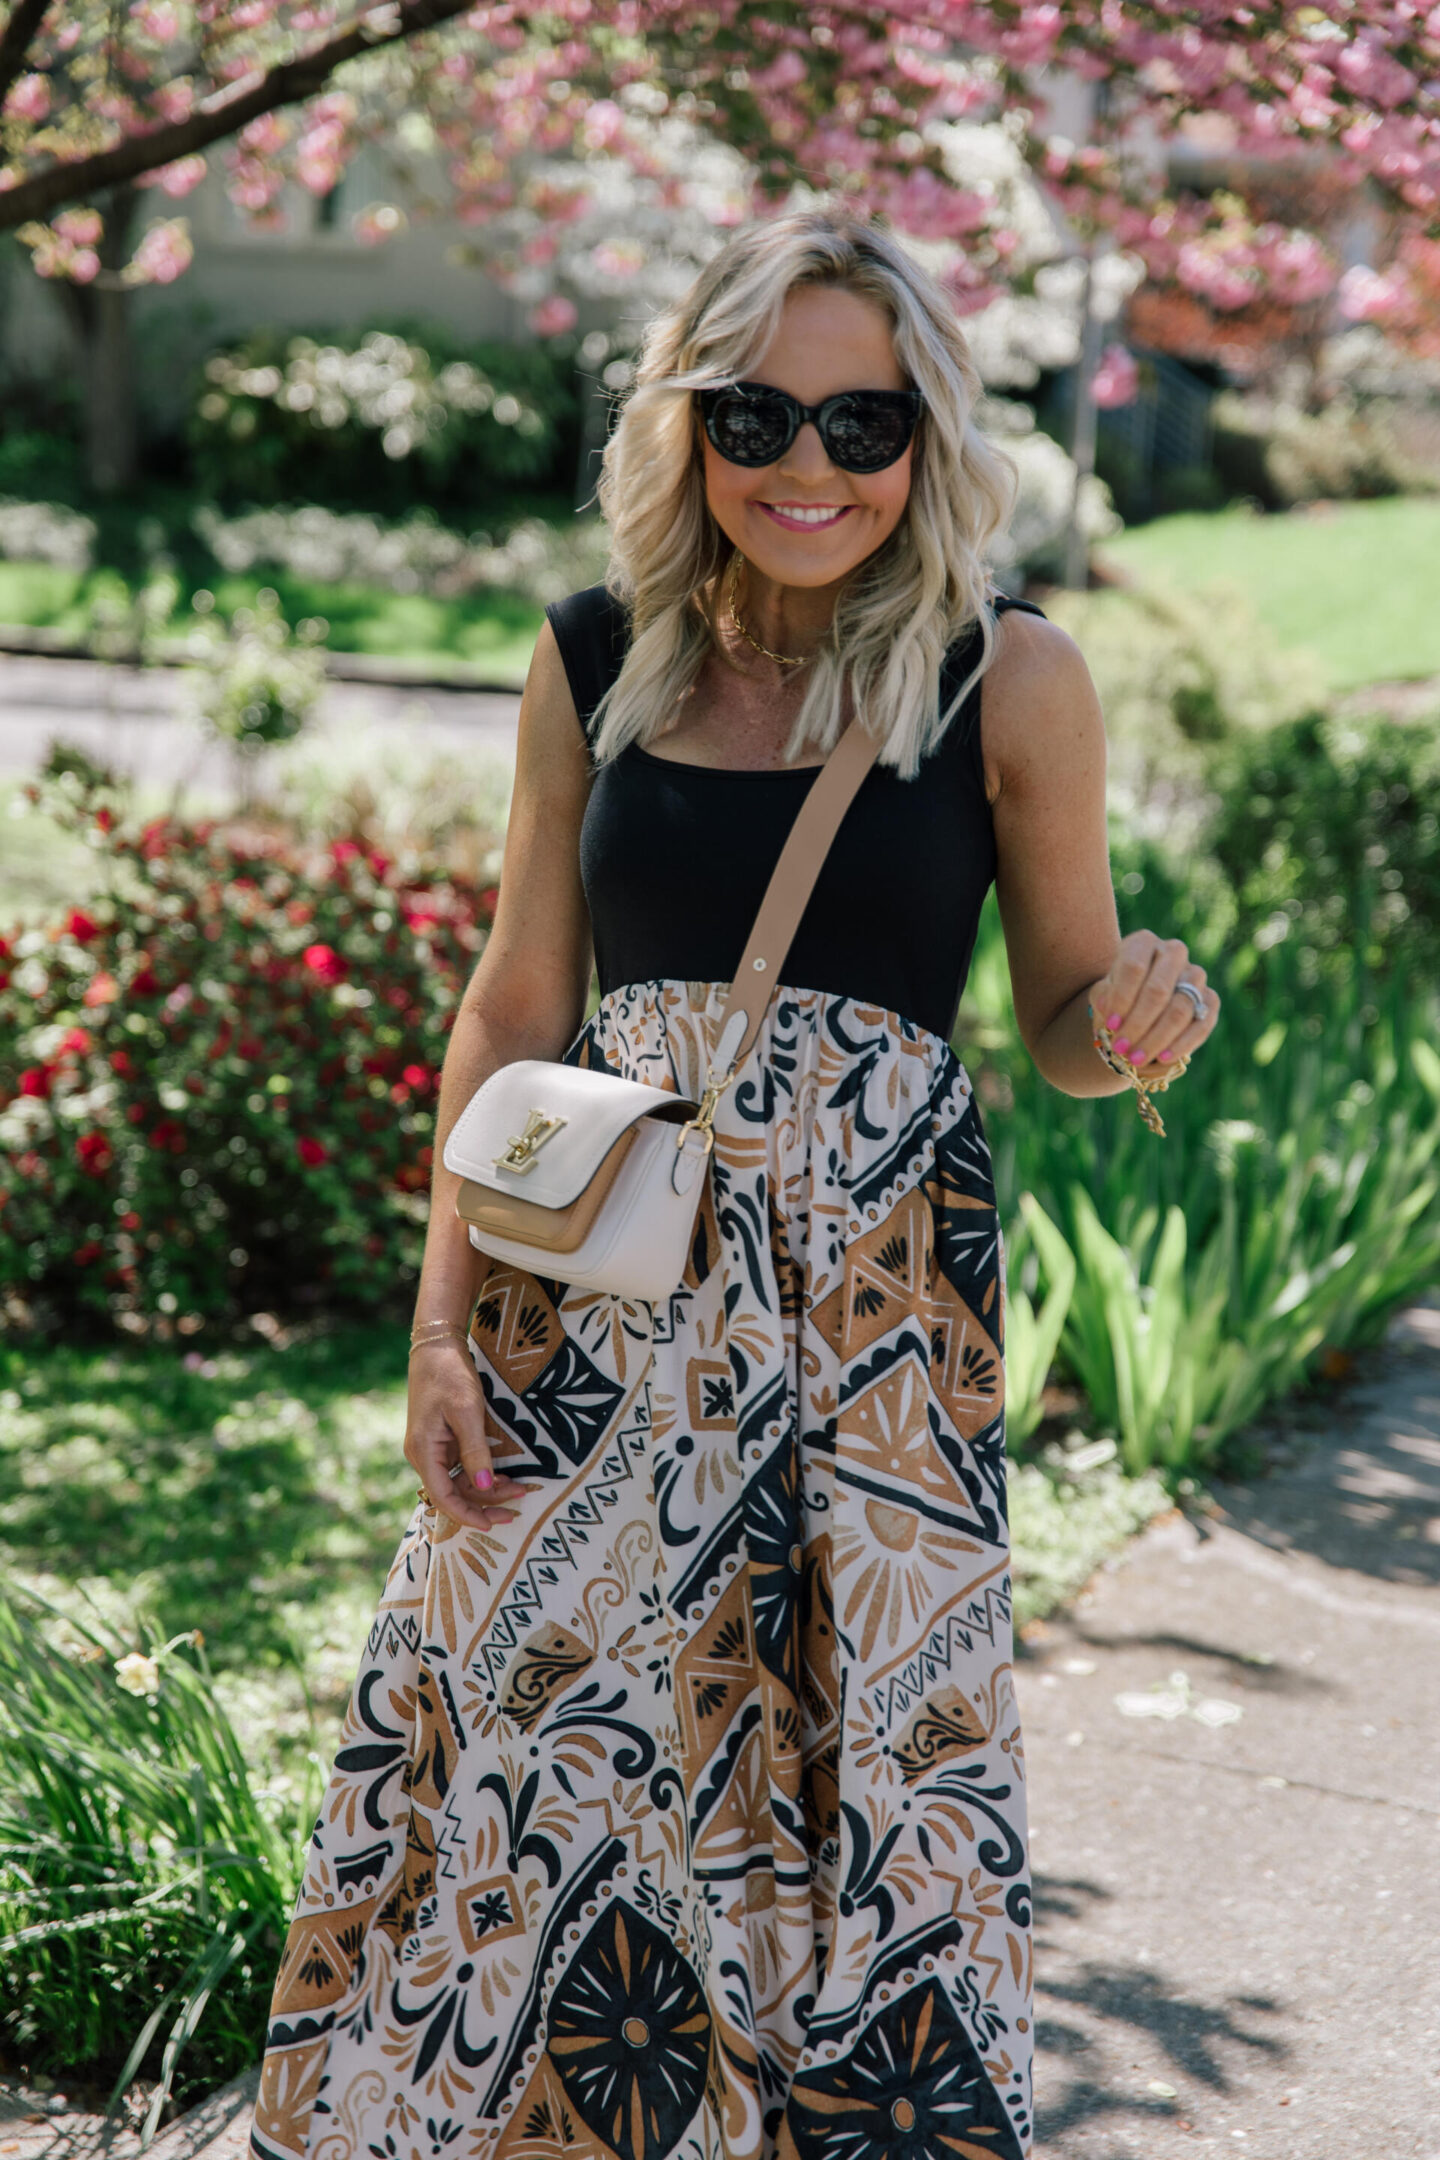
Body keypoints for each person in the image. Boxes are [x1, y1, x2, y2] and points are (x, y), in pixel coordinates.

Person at [250, 204, 1219, 2160]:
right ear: (688, 425)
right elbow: (516, 997)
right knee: (545, 1759)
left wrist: (1134, 1016)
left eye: (865, 426)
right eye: (757, 416)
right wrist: (440, 1330)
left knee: (857, 1788)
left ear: (928, 438)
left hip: (873, 1335)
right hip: (592, 1310)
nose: (809, 468)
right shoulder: (595, 658)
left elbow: (1056, 1008)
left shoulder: (1008, 676)